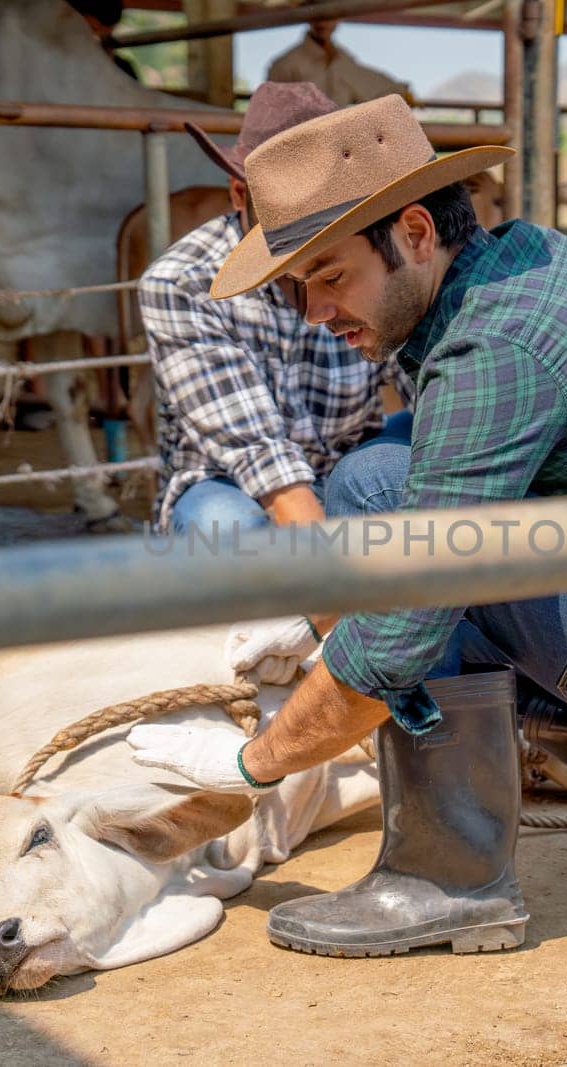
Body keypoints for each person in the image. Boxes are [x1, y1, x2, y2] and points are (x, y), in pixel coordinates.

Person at [128, 96, 567, 957]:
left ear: (418, 232)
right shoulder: (524, 263)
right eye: (300, 286)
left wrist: (253, 763)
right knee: (382, 481)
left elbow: (400, 629)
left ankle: (445, 878)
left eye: (330, 275)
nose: (315, 313)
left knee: (381, 516)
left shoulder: (495, 349)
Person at [139, 84, 412, 677]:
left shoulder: (368, 254)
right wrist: (337, 592)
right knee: (226, 530)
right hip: (233, 483)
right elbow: (257, 450)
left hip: (348, 460)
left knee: (446, 430)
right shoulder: (181, 281)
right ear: (240, 193)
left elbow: (419, 372)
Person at [264, 0, 414, 107]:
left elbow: (366, 82)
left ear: (340, 15)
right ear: (307, 13)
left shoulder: (344, 59)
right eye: (317, 11)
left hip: (337, 144)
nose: (323, 20)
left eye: (331, 12)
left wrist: (398, 92)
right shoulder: (284, 66)